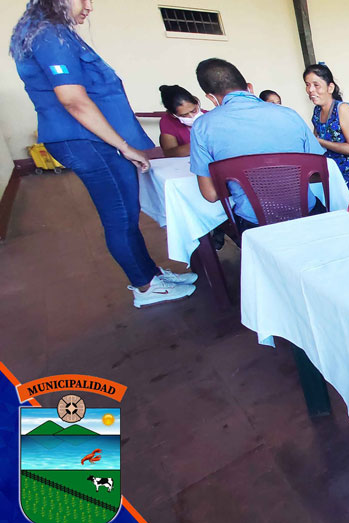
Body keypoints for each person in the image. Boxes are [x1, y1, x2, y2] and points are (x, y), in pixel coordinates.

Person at [10, 0, 196, 308]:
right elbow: (73, 100)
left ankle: (150, 274)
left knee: (127, 213)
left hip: (94, 139)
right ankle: (145, 287)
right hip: (87, 141)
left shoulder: (53, 33)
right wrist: (124, 146)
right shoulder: (49, 35)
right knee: (120, 216)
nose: (89, 6)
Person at [189, 58, 325, 231]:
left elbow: (211, 194)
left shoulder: (202, 126)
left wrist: (246, 184)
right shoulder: (289, 114)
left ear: (211, 98)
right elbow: (318, 172)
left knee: (222, 224)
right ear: (249, 88)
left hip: (256, 226)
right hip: (308, 214)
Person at [303, 64, 349, 193]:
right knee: (301, 189)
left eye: (316, 85)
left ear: (330, 87)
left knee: (320, 195)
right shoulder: (317, 111)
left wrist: (321, 142)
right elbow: (315, 144)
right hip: (330, 172)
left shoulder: (342, 109)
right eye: (307, 85)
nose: (310, 90)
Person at [158, 84, 205, 158]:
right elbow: (169, 152)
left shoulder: (210, 116)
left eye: (193, 110)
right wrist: (199, 145)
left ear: (197, 102)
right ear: (173, 115)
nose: (191, 116)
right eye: (184, 115)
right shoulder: (167, 122)